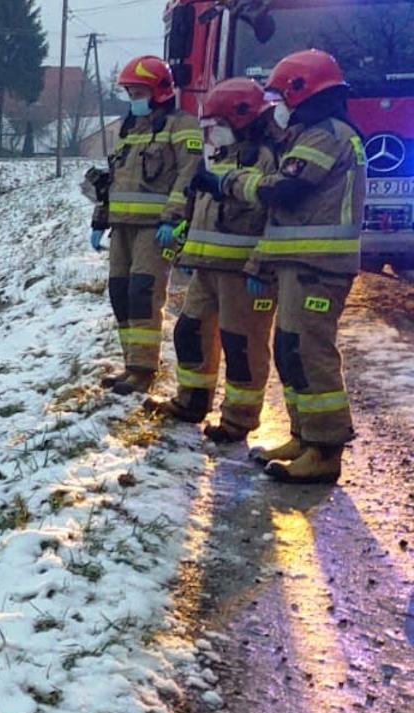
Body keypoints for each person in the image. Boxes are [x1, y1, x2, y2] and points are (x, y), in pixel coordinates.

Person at [194, 49, 363, 484]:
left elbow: (283, 191)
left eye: (281, 96)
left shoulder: (327, 135)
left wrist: (226, 182)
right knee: (292, 350)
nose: (279, 107)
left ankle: (325, 451)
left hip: (319, 265)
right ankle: (304, 437)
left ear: (301, 92)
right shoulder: (313, 132)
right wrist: (263, 261)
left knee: (311, 353)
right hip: (298, 262)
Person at [155, 78, 278, 443]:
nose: (214, 133)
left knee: (242, 346)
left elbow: (276, 216)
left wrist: (262, 264)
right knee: (190, 332)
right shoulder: (222, 158)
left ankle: (239, 419)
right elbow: (205, 212)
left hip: (243, 273)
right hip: (208, 269)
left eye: (218, 125)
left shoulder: (268, 161)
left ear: (242, 119)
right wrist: (188, 250)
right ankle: (192, 400)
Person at [91, 56, 205, 394]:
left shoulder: (182, 125)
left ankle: (143, 368)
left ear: (159, 91)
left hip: (155, 228)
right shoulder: (130, 129)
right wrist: (100, 218)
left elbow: (189, 174)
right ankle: (131, 363)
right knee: (120, 294)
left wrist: (173, 218)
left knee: (143, 293)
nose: (133, 98)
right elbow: (114, 178)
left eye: (138, 91)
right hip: (122, 226)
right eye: (130, 92)